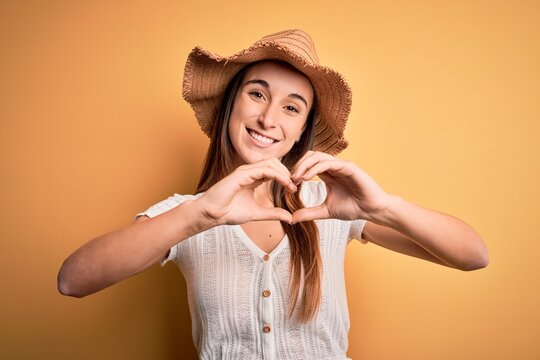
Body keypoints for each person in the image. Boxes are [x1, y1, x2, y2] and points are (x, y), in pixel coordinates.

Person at [58, 29, 489, 359]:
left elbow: (472, 255)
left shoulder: (328, 206)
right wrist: (200, 214)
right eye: (257, 94)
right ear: (232, 105)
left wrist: (383, 207)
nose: (268, 118)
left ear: (302, 130)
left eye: (291, 107)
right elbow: (72, 281)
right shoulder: (188, 214)